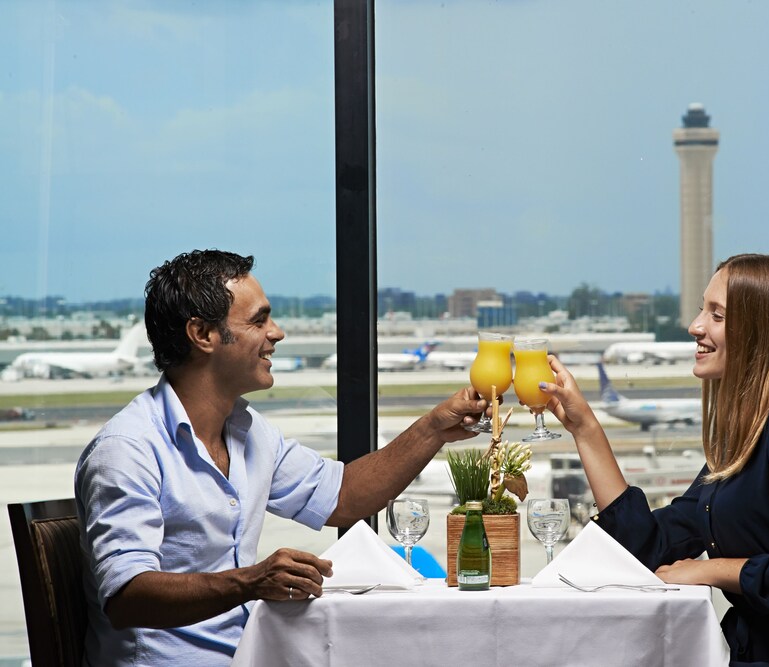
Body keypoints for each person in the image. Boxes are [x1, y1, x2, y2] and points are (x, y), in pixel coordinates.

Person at [74, 249, 488, 666]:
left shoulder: (248, 431)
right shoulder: (127, 449)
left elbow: (344, 497)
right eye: (258, 320)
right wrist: (251, 582)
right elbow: (127, 596)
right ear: (202, 334)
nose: (277, 333)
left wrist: (434, 427)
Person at [540, 254, 769, 666]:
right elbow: (651, 546)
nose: (695, 327)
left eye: (717, 315)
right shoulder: (745, 437)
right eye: (701, 310)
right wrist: (586, 429)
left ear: (764, 332)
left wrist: (707, 570)